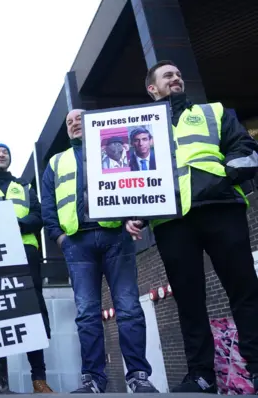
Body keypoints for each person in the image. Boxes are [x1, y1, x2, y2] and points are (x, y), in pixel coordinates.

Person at [126, 60, 258, 394]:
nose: (176, 78)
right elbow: (132, 179)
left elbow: (244, 149)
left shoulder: (214, 112)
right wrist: (134, 211)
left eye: (178, 74)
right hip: (172, 222)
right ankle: (201, 376)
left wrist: (224, 177)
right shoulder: (138, 129)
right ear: (152, 88)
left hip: (220, 209)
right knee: (188, 301)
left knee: (245, 291)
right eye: (167, 75)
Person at [41, 109, 157, 394]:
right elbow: (47, 205)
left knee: (129, 307)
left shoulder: (116, 149)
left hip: (117, 236)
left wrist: (139, 217)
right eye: (69, 122)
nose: (74, 124)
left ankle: (138, 376)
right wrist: (59, 239)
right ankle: (93, 379)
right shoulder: (56, 162)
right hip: (77, 243)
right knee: (86, 314)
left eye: (79, 119)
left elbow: (142, 183)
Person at [0, 142, 54, 394]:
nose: (1, 154)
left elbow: (39, 215)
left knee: (32, 310)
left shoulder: (25, 187)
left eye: (5, 151)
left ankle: (39, 378)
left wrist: (18, 224)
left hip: (25, 251)